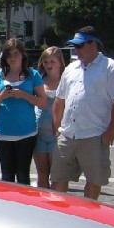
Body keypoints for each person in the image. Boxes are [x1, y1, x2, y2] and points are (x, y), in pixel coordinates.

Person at [51, 26, 114, 200]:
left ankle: (88, 216)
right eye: (74, 46)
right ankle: (59, 216)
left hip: (95, 134)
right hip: (67, 134)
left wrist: (112, 128)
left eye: (79, 46)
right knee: (57, 179)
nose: (76, 50)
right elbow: (59, 99)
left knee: (94, 180)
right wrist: (56, 127)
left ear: (93, 44)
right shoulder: (71, 68)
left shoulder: (111, 68)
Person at [0, 38, 47, 184]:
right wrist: (2, 96)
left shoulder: (33, 75)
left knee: (22, 176)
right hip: (3, 133)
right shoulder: (0, 76)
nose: (12, 58)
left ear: (22, 55)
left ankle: (24, 206)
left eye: (16, 53)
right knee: (6, 177)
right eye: (9, 54)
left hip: (26, 133)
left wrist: (24, 95)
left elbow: (43, 102)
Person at [33, 47, 65, 189]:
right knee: (42, 174)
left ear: (60, 63)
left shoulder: (66, 80)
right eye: (45, 62)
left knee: (57, 176)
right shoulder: (38, 80)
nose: (48, 64)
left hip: (57, 134)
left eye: (52, 61)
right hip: (39, 132)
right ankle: (44, 206)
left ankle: (56, 207)